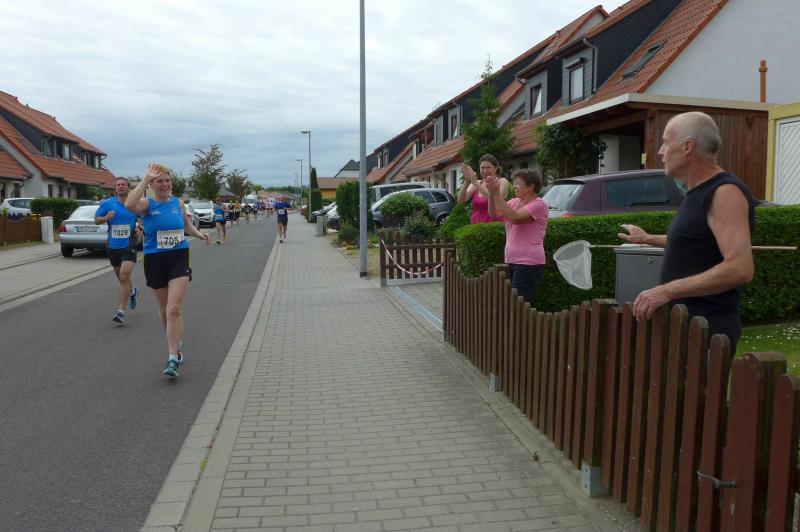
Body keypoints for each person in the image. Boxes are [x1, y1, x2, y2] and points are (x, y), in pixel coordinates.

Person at [618, 111, 755, 351]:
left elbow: (739, 268)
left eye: (665, 142)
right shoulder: (697, 193)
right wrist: (646, 238)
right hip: (685, 329)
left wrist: (667, 290)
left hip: (706, 332)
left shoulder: (724, 192)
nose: (660, 151)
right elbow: (695, 242)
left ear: (687, 147)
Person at [126, 163, 211, 378]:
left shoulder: (178, 203)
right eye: (159, 181)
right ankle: (175, 340)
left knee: (174, 308)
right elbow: (129, 205)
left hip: (178, 256)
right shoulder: (147, 204)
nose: (165, 184)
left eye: (167, 180)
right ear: (152, 185)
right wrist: (145, 179)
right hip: (155, 259)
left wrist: (199, 234)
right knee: (164, 309)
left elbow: (186, 225)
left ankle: (173, 357)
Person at [485, 169, 548, 305]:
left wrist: (497, 195)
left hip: (528, 263)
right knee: (510, 305)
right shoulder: (514, 202)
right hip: (511, 260)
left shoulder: (539, 205)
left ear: (531, 186)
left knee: (518, 306)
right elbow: (494, 213)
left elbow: (515, 218)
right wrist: (491, 194)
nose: (514, 187)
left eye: (517, 184)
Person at [94, 176, 141, 324]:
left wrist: (140, 228)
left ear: (128, 188)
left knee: (124, 275)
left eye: (123, 184)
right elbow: (96, 220)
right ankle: (132, 292)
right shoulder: (107, 203)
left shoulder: (133, 203)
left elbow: (143, 217)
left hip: (129, 243)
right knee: (122, 278)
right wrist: (106, 217)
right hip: (113, 245)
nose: (120, 186)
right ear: (115, 188)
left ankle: (121, 311)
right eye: (118, 185)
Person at [458, 154, 510, 224]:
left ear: (495, 169)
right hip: (476, 226)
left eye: (488, 167)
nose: (485, 170)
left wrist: (475, 183)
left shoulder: (502, 181)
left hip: (495, 226)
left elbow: (496, 199)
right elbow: (461, 200)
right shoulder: (477, 183)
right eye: (482, 168)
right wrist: (467, 181)